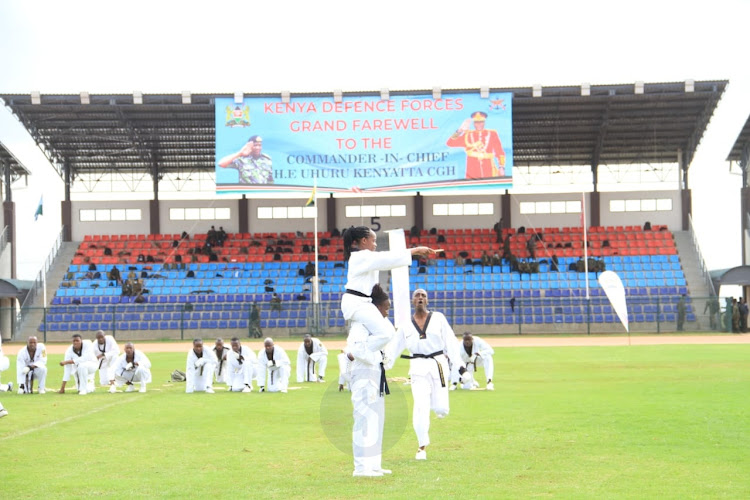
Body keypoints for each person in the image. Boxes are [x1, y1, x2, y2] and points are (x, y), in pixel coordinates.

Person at [386, 288, 470, 462]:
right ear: (412, 301)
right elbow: (393, 348)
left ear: (427, 300)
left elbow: (451, 343)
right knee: (420, 406)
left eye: (423, 295)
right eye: (417, 295)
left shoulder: (438, 318)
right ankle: (421, 446)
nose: (420, 298)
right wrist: (383, 366)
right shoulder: (405, 325)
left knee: (441, 409)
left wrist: (461, 368)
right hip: (417, 367)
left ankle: (437, 405)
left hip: (438, 364)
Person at [347, 284, 394, 476]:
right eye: (385, 308)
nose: (386, 312)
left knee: (377, 421)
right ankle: (360, 467)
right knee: (363, 420)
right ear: (375, 308)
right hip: (362, 375)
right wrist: (377, 357)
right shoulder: (360, 325)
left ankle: (374, 463)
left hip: (376, 374)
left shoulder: (381, 326)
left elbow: (383, 349)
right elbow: (356, 349)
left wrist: (383, 358)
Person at [446, 111, 506, 179]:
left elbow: (499, 151)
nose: (479, 124)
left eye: (481, 122)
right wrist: (460, 130)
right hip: (472, 169)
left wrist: (501, 167)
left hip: (488, 167)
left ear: (484, 122)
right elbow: (450, 143)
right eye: (476, 122)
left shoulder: (492, 134)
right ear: (474, 123)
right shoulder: (468, 135)